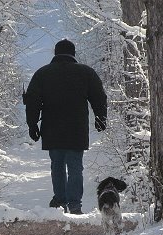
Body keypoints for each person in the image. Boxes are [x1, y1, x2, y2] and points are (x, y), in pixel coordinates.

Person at [24, 39, 107, 214]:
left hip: (52, 129)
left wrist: (32, 124)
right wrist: (101, 118)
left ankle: (60, 201)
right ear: (73, 53)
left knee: (57, 165)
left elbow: (32, 100)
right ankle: (75, 204)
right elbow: (99, 97)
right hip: (76, 129)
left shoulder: (43, 73)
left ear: (55, 53)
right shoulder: (86, 73)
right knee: (76, 167)